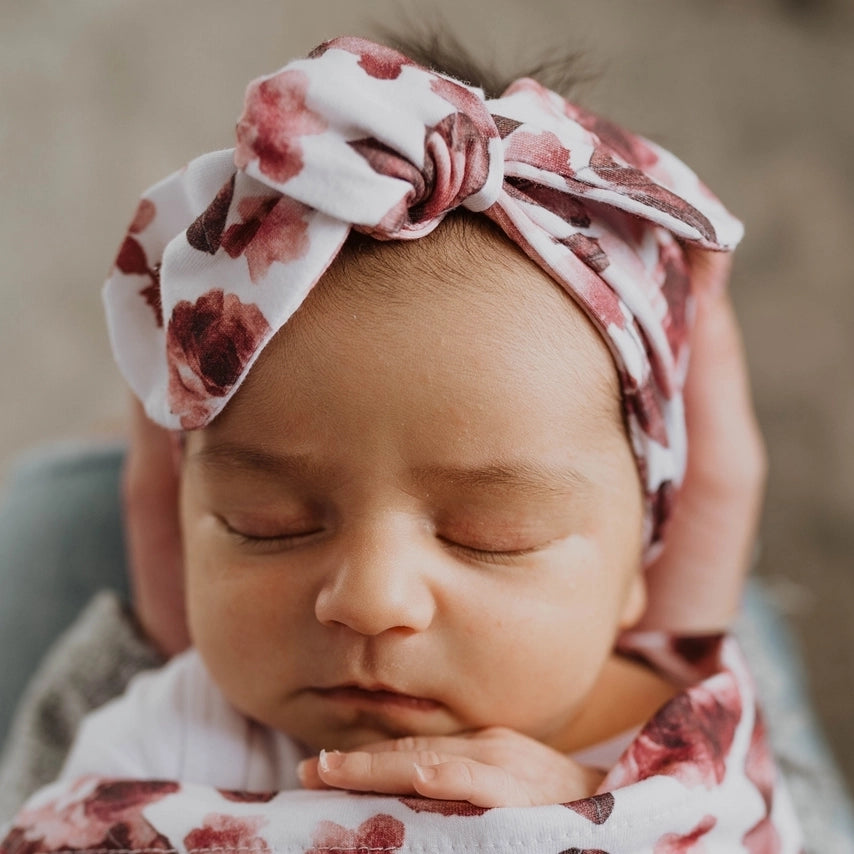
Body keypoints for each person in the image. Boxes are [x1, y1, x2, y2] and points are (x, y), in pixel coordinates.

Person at [0, 34, 813, 850]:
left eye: (491, 537)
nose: (370, 601)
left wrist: (595, 815)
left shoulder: (669, 757)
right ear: (187, 515)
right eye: (262, 522)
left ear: (643, 557)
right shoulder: (169, 727)